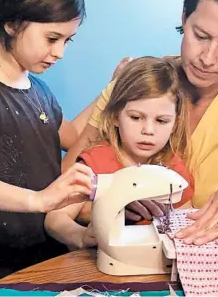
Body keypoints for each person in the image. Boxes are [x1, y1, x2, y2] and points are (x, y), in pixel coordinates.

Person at [63, 0, 218, 245]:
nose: (207, 58)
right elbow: (63, 191)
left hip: (213, 267)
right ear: (184, 18)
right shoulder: (138, 82)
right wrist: (113, 207)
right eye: (201, 36)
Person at [0, 0, 96, 283]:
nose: (59, 53)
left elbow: (73, 139)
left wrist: (111, 93)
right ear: (13, 24)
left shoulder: (40, 91)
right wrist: (39, 200)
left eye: (67, 41)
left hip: (51, 260)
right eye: (52, 38)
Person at [45, 57, 194, 250]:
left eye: (161, 121)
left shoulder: (173, 168)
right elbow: (55, 218)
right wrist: (80, 236)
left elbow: (185, 221)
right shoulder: (94, 163)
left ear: (175, 123)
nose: (148, 130)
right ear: (115, 116)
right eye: (136, 117)